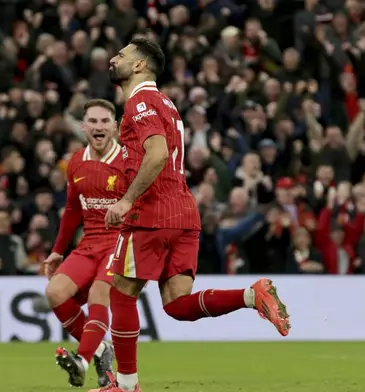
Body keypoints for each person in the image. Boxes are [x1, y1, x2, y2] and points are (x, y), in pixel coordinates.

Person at [89, 38, 291, 392]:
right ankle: (250, 294)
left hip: (151, 214)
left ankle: (125, 384)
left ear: (140, 65)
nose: (114, 58)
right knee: (177, 305)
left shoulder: (141, 102)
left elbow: (157, 154)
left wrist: (126, 201)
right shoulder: (166, 103)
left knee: (120, 293)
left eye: (122, 55)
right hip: (183, 214)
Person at [43, 99, 127, 387]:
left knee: (98, 296)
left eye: (105, 121)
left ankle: (82, 359)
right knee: (54, 293)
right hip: (89, 243)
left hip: (120, 243)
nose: (99, 126)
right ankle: (101, 349)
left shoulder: (129, 161)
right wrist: (57, 251)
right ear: (84, 126)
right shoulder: (76, 161)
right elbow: (71, 211)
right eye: (93, 121)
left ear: (115, 126)